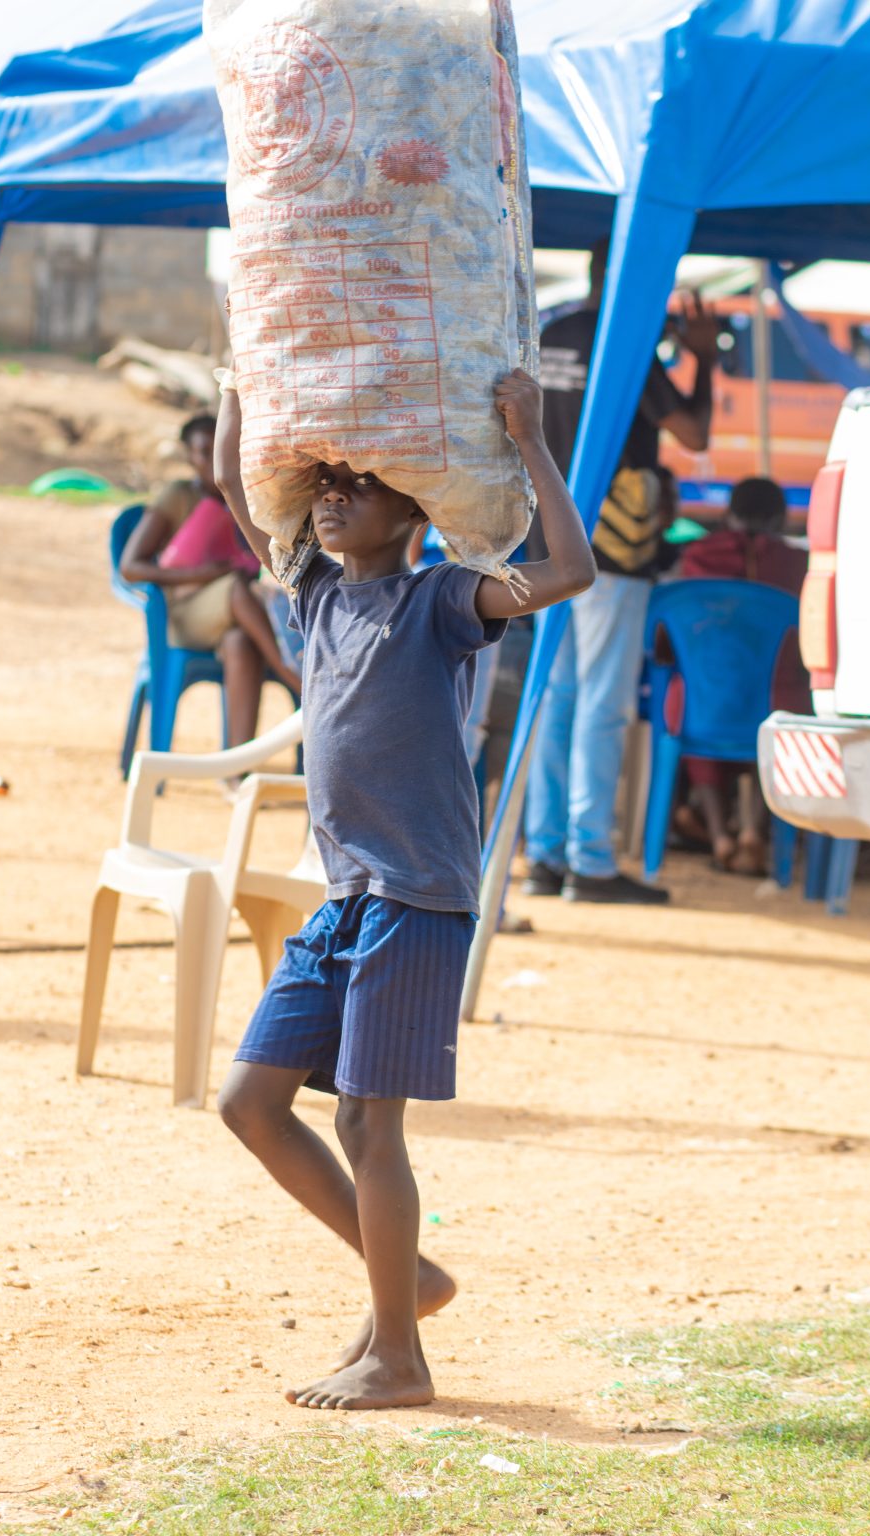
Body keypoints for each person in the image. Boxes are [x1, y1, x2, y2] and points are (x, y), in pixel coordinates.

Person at [212, 370, 595, 1412]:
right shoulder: (316, 595)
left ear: (415, 509)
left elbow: (571, 570)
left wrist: (531, 439)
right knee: (249, 1104)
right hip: (345, 897)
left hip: (416, 895)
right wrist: (243, 383)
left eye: (364, 484)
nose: (335, 496)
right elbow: (235, 483)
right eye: (327, 484)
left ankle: (399, 1357)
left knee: (367, 1127)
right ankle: (409, 1282)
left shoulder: (441, 599)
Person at [522, 241, 719, 903]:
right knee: (602, 704)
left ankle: (546, 855)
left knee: (557, 698)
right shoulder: (624, 342)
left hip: (541, 547)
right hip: (608, 550)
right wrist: (704, 360)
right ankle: (592, 861)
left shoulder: (550, 335)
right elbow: (694, 435)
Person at [120, 413, 301, 746]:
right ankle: (296, 677)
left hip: (236, 618)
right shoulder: (177, 496)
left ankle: (236, 767)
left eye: (220, 450)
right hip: (185, 614)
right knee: (235, 589)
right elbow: (130, 567)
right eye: (204, 452)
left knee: (240, 643)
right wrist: (202, 574)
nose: (213, 459)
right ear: (189, 457)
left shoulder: (244, 500)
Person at [675, 475, 808, 873]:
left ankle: (720, 837)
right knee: (778, 718)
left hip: (704, 704)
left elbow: (670, 637)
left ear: (728, 513)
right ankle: (754, 831)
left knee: (691, 695)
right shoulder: (799, 563)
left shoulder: (697, 555)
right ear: (781, 518)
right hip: (777, 702)